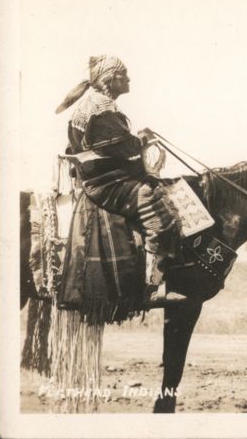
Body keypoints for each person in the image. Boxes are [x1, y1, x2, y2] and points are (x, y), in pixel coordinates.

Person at [56, 55, 184, 307]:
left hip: (102, 175)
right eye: (123, 75)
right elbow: (124, 148)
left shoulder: (94, 104)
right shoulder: (100, 107)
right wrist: (143, 140)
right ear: (109, 79)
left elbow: (116, 143)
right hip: (106, 181)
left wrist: (138, 139)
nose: (128, 79)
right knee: (160, 213)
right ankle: (151, 286)